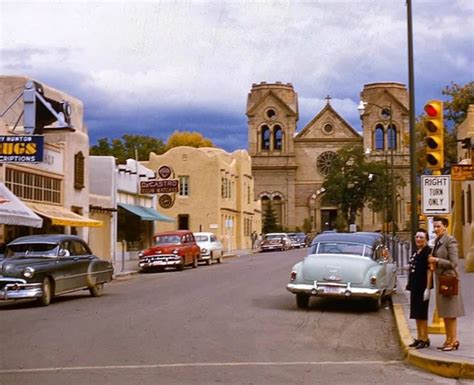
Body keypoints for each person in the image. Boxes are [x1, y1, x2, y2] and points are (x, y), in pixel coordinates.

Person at [427, 216, 465, 352]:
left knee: (451, 312)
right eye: (434, 226)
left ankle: (454, 340)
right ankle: (448, 339)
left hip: (449, 280)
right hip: (441, 280)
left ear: (445, 227)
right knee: (445, 312)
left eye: (438, 226)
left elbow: (453, 263)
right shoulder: (437, 241)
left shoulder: (450, 241)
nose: (436, 229)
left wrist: (436, 260)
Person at [406, 228, 432, 349]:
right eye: (417, 237)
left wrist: (428, 288)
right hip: (414, 286)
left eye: (421, 237)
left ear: (426, 239)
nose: (419, 239)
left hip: (422, 286)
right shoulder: (417, 251)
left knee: (422, 313)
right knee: (416, 312)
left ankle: (425, 338)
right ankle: (419, 336)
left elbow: (429, 271)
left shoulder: (428, 252)